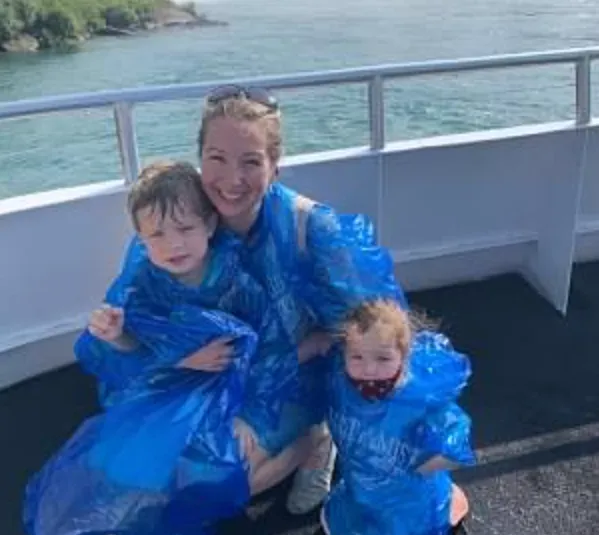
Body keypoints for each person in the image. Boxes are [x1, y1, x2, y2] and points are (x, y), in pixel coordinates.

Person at [23, 161, 312, 535]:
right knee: (120, 471)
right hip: (171, 386)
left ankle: (309, 447)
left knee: (221, 475)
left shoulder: (237, 282)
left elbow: (271, 352)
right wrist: (118, 337)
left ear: (209, 225)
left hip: (238, 392)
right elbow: (119, 352)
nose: (173, 243)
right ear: (140, 240)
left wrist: (250, 418)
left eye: (185, 228)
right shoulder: (142, 278)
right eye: (157, 234)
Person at [189, 84, 409, 513]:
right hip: (225, 372)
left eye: (251, 162)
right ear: (200, 158)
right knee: (159, 470)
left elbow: (374, 318)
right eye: (217, 158)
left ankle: (313, 443)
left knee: (218, 486)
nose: (232, 181)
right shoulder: (185, 217)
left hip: (296, 374)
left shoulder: (311, 228)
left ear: (275, 167)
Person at [317, 299, 475, 535]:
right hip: (359, 495)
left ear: (404, 355)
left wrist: (429, 463)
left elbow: (456, 443)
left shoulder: (420, 398)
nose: (369, 370)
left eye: (383, 359)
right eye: (357, 357)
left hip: (411, 508)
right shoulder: (341, 384)